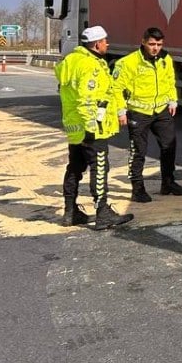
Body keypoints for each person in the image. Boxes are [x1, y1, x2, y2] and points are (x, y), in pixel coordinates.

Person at [55, 26, 134, 230]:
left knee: (74, 168)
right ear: (97, 43)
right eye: (105, 41)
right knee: (99, 169)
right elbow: (87, 99)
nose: (107, 44)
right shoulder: (91, 65)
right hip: (91, 128)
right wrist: (91, 127)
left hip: (74, 126)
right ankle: (102, 213)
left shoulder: (71, 61)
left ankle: (70, 212)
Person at [113, 27, 182, 201]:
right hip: (139, 112)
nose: (155, 48)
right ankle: (137, 188)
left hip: (161, 110)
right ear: (143, 42)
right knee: (138, 151)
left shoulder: (165, 59)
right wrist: (121, 111)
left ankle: (168, 183)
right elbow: (116, 88)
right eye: (152, 44)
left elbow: (170, 80)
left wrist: (172, 100)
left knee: (169, 146)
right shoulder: (128, 62)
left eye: (159, 44)